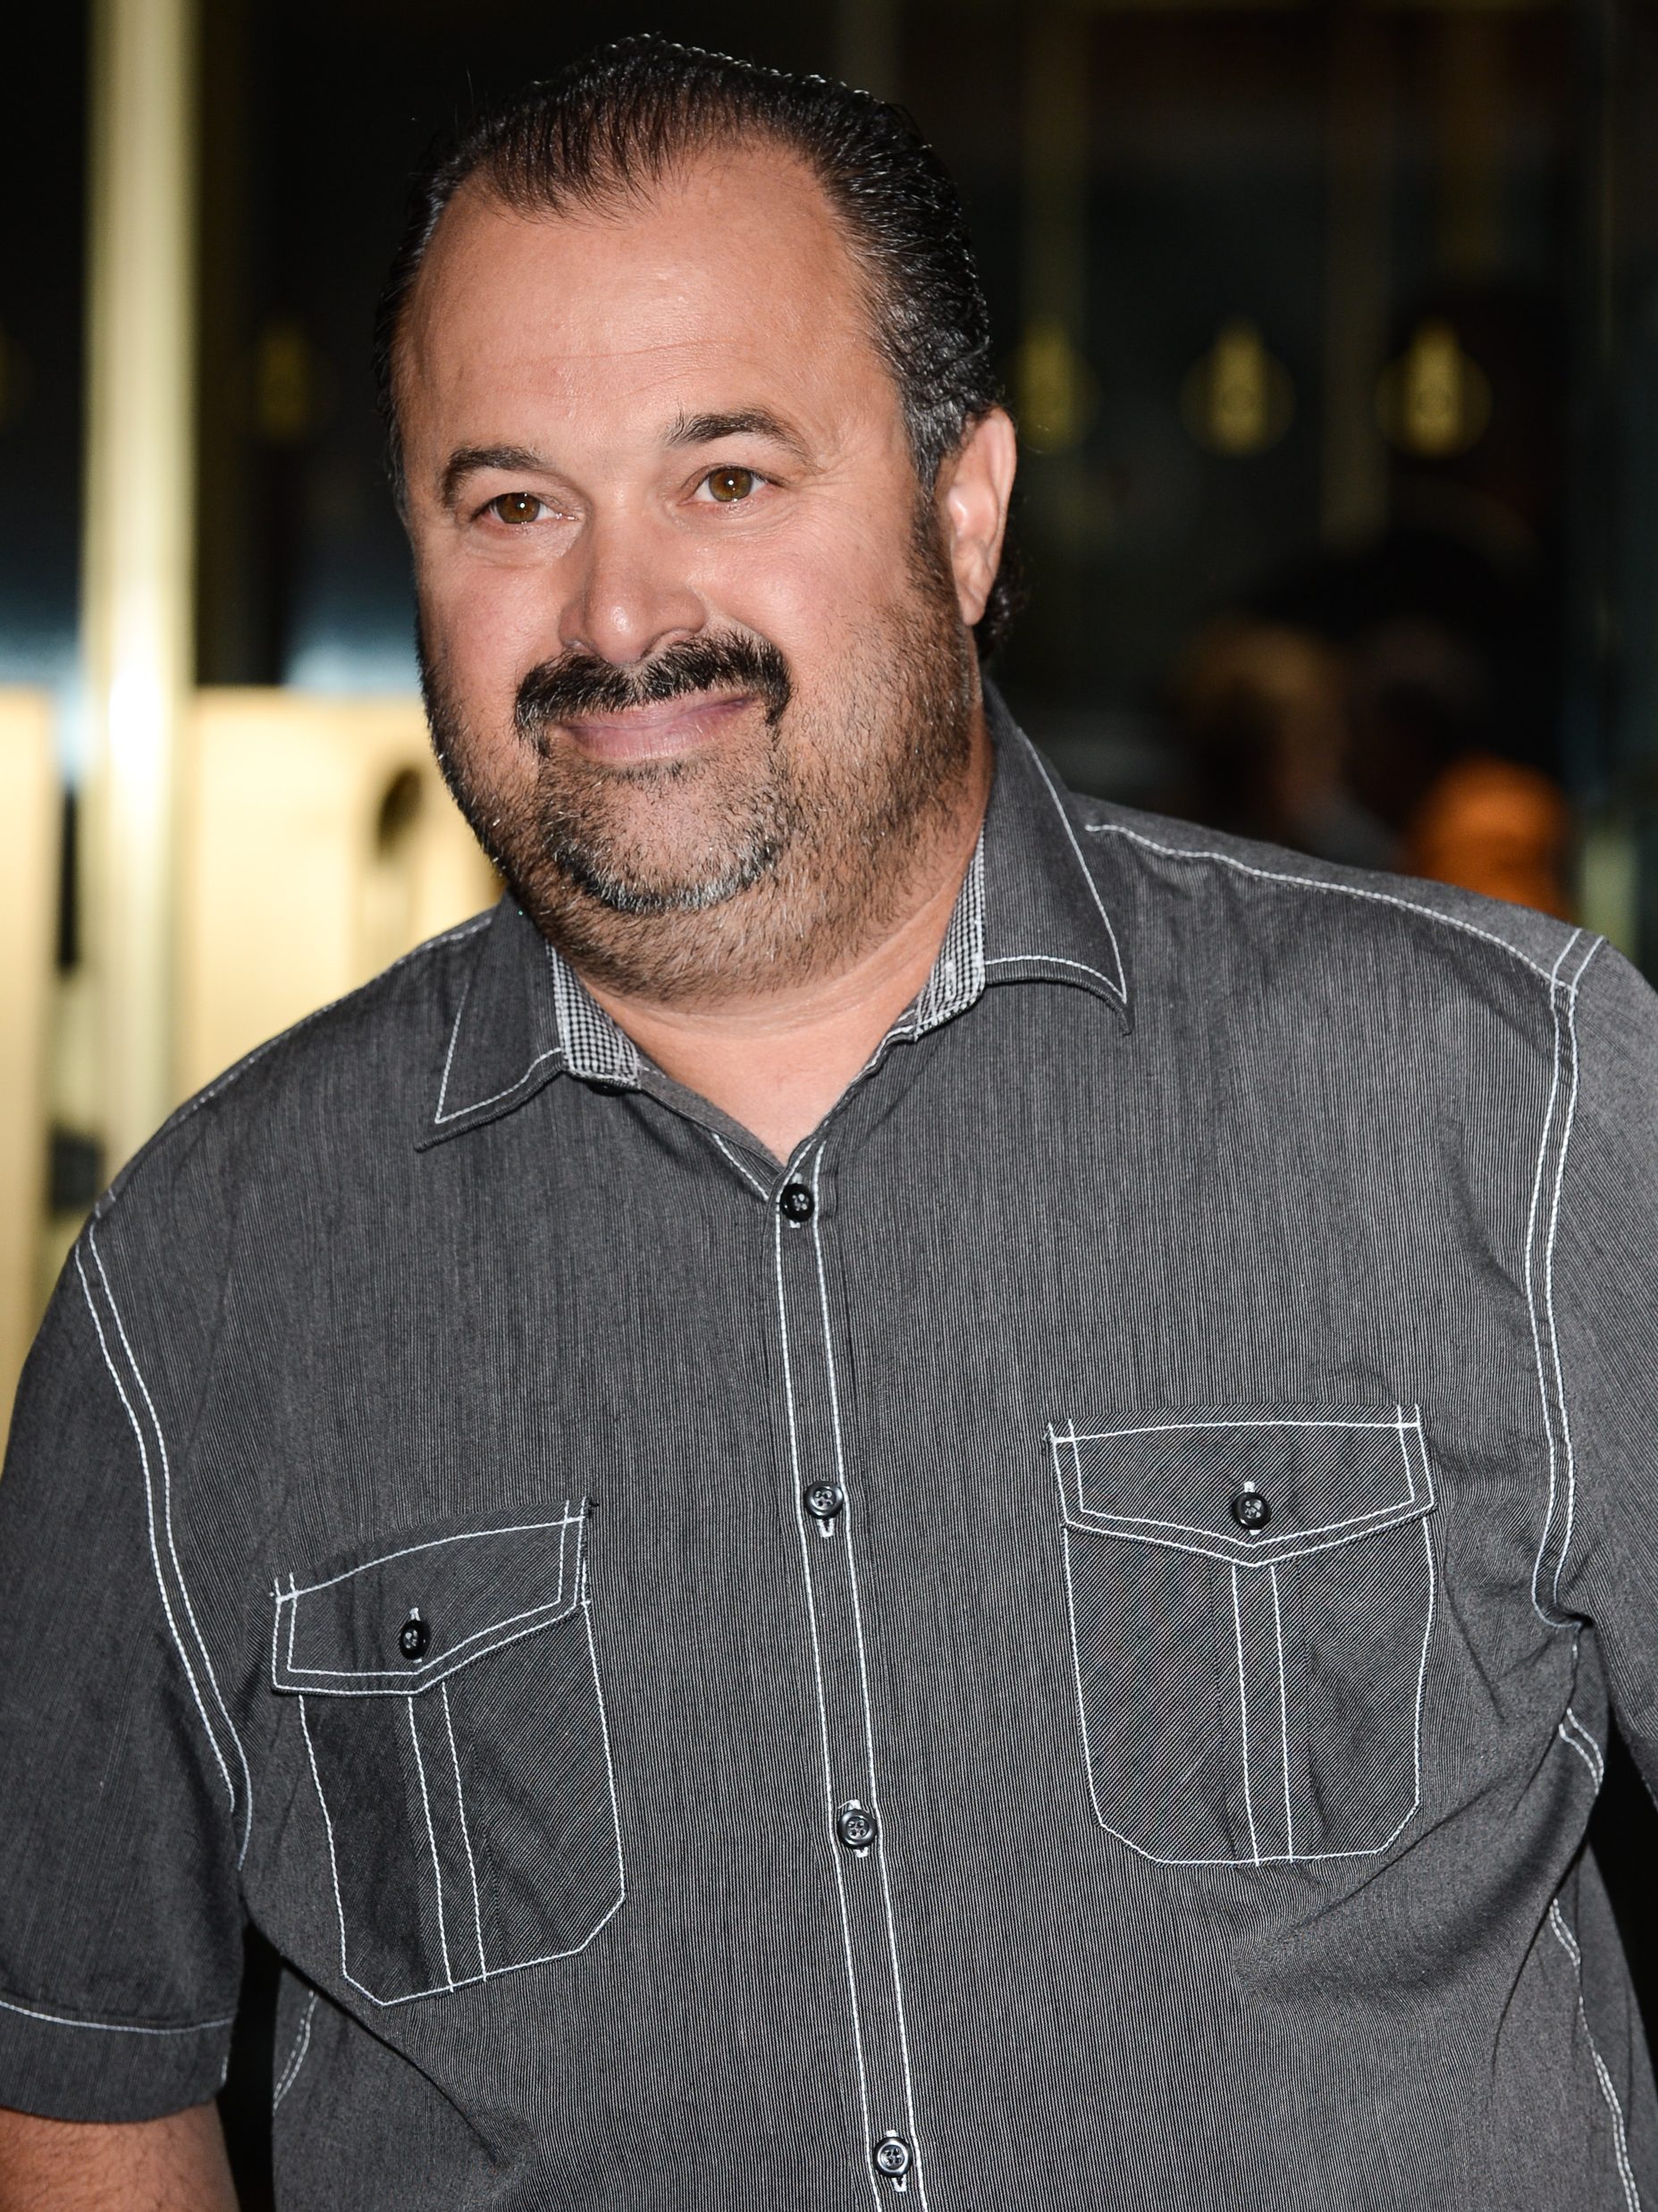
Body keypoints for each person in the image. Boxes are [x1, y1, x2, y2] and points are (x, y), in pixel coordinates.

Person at [0, 36, 1654, 2210]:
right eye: (511, 503)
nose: (612, 615)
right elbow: (90, 2087)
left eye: (729, 475)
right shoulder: (192, 1292)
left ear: (962, 512)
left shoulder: (1509, 1102)